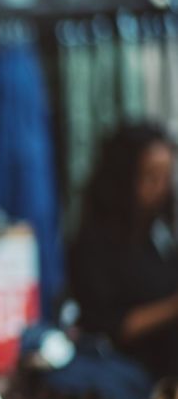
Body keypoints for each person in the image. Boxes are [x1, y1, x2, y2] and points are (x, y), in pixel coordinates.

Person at [68, 122, 178, 381]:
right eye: (151, 177)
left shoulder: (156, 232)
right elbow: (110, 326)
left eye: (166, 177)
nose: (160, 188)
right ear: (125, 176)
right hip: (127, 375)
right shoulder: (94, 243)